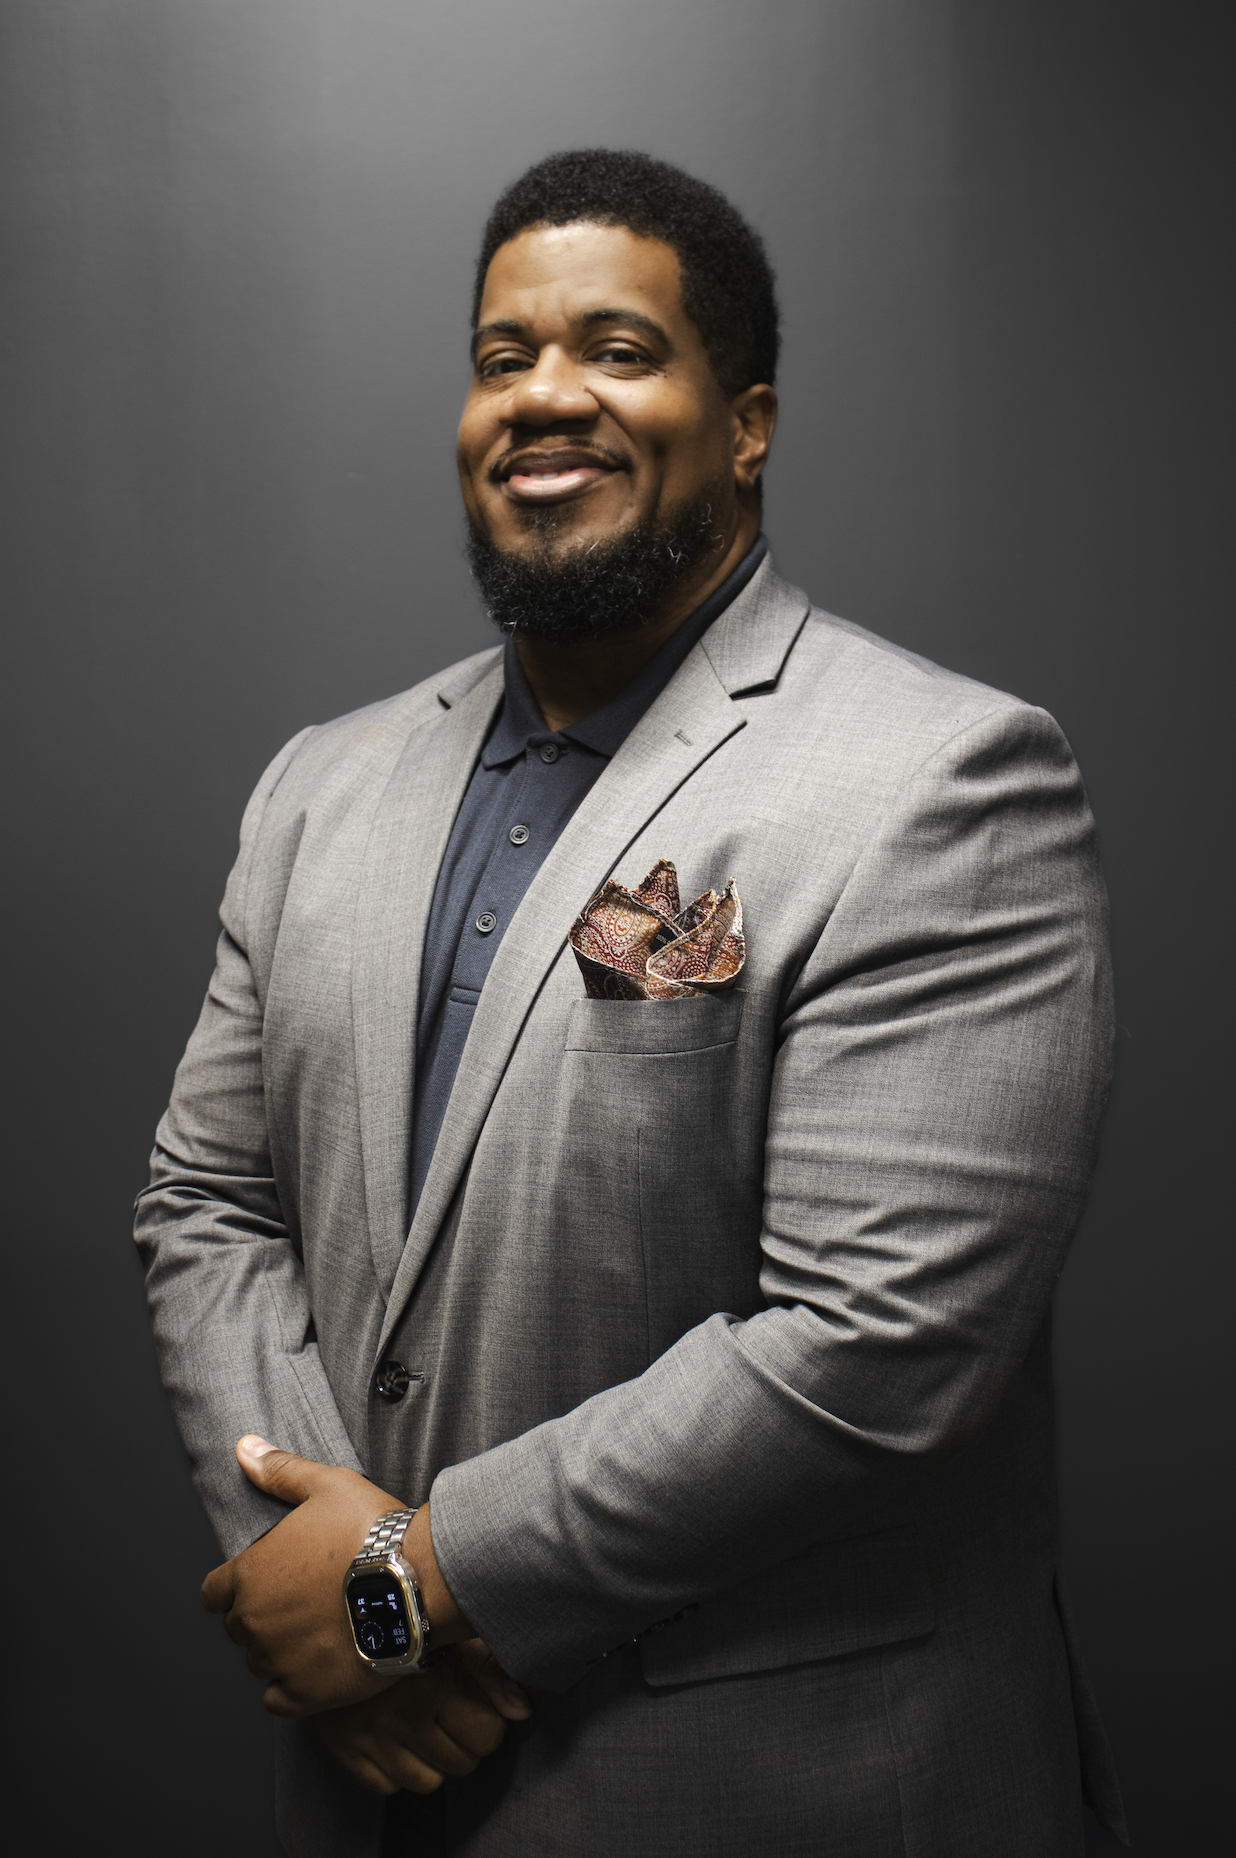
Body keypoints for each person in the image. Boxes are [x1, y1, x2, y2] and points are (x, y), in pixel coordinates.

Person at [136, 149, 1126, 1857]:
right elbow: (207, 1202)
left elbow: (879, 1343)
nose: (544, 394)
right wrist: (312, 1561)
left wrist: (407, 1588)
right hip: (381, 1788)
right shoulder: (319, 785)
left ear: (746, 425)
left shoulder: (942, 778)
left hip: (779, 1795)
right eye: (502, 355)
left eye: (616, 348)